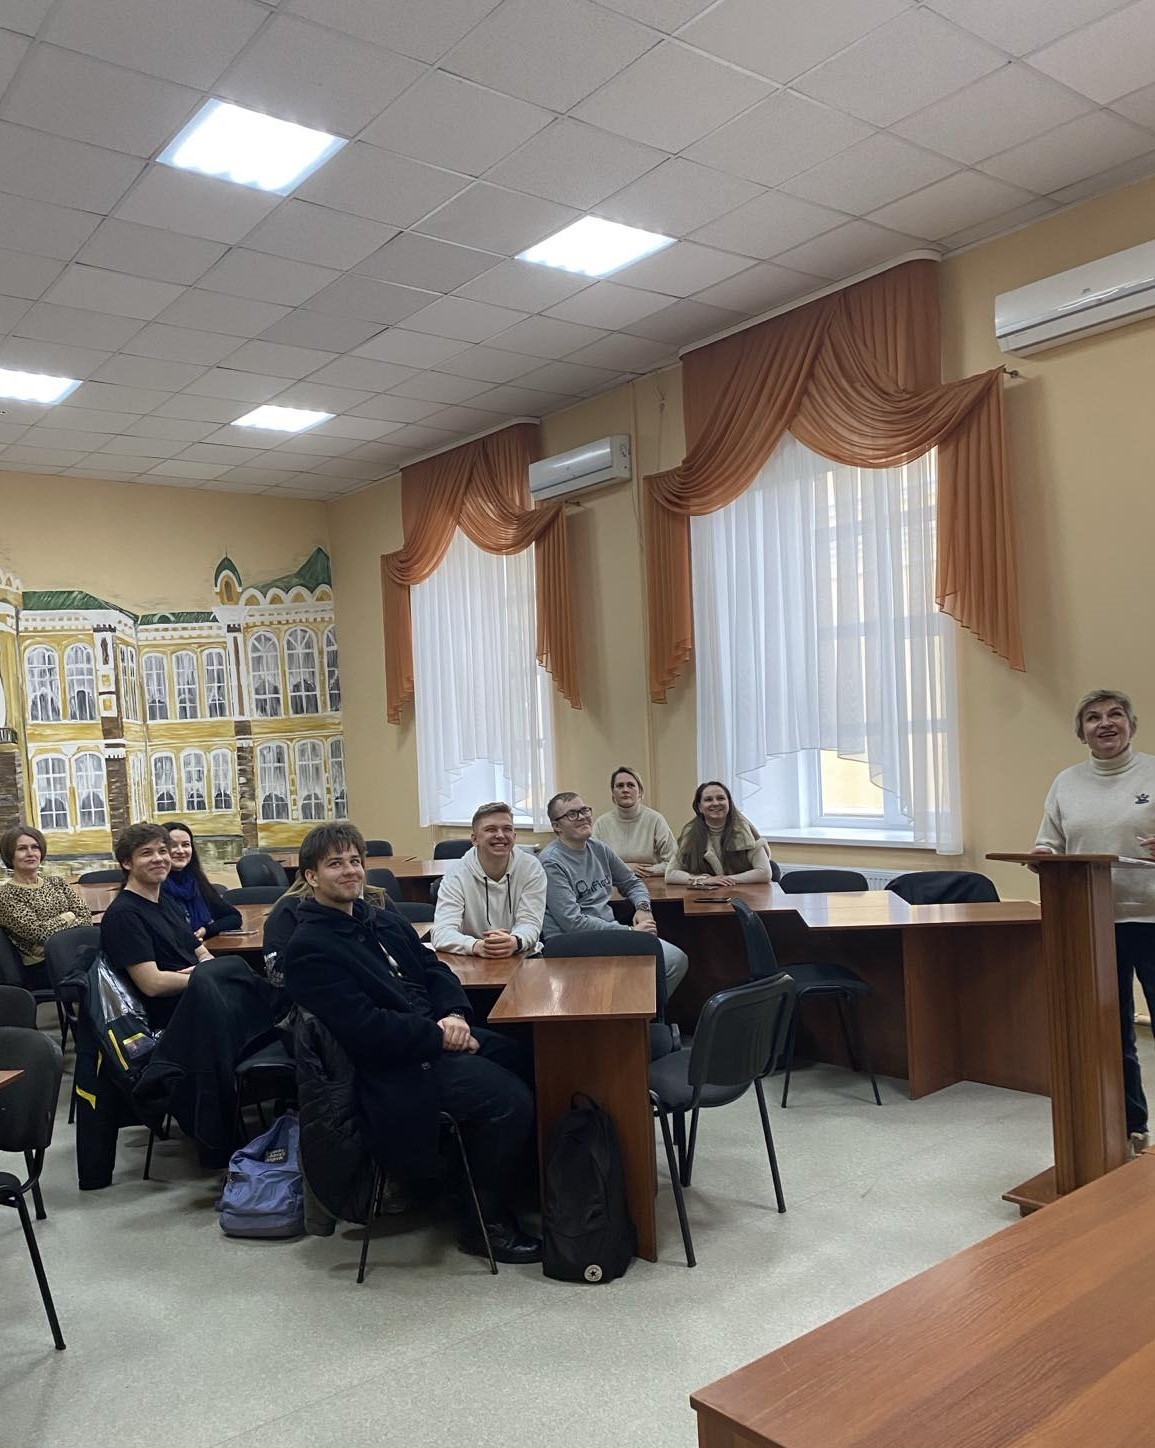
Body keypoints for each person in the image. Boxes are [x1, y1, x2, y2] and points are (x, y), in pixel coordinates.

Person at [281, 822, 541, 1265]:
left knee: (533, 1061)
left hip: (435, 1034)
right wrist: (440, 1036)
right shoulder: (309, 948)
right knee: (508, 1101)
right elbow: (366, 1030)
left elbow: (434, 969)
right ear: (311, 877)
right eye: (335, 864)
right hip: (392, 1068)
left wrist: (455, 1014)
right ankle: (483, 1224)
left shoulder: (380, 919)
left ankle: (520, 1189)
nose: (350, 871)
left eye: (355, 861)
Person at [1033, 689, 1155, 1157]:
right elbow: (1049, 842)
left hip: (1151, 918)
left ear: (1131, 725)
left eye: (1115, 714)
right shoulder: (1066, 782)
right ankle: (1132, 1127)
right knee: (1113, 1032)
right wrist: (1043, 855)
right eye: (1092, 717)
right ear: (1081, 732)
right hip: (1094, 920)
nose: (1105, 723)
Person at [539, 790, 688, 997]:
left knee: (676, 961)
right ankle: (637, 1012)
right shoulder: (551, 862)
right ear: (557, 826)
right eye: (572, 814)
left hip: (607, 933)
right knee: (671, 961)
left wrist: (643, 908)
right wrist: (630, 932)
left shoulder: (598, 848)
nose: (582, 817)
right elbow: (572, 922)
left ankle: (641, 1014)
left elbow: (631, 882)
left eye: (584, 810)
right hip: (571, 941)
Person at [99, 822, 213, 1029]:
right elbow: (153, 984)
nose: (158, 858)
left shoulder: (167, 903)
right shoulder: (124, 915)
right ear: (127, 863)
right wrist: (205, 976)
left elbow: (202, 953)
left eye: (162, 851)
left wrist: (208, 971)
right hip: (170, 1017)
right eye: (146, 853)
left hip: (196, 996)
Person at [432, 801, 547, 957]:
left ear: (514, 836)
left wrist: (515, 941)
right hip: (472, 957)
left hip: (522, 954)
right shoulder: (456, 874)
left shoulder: (531, 868)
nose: (500, 835)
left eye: (507, 829)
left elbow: (530, 923)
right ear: (475, 839)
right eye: (490, 829)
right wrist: (476, 945)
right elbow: (441, 932)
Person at [0, 823, 91, 972]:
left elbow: (86, 917)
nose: (30, 853)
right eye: (22, 849)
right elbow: (39, 933)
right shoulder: (6, 895)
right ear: (10, 855)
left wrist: (52, 939)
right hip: (43, 966)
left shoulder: (57, 882)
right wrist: (69, 916)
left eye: (35, 847)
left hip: (76, 954)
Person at [667, 781, 773, 888]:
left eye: (721, 798)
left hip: (743, 894)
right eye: (708, 799)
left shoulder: (744, 831)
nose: (715, 803)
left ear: (729, 803)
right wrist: (704, 880)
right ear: (699, 807)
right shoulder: (690, 834)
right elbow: (670, 874)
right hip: (705, 895)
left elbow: (764, 873)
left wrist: (725, 879)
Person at [592, 766, 678, 879]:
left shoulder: (655, 820)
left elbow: (674, 863)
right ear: (613, 792)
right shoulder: (601, 823)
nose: (625, 790)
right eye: (620, 786)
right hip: (613, 885)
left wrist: (644, 871)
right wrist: (624, 868)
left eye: (631, 785)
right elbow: (592, 864)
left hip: (651, 883)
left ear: (640, 791)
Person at [162, 823, 242, 941]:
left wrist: (206, 930)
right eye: (173, 845)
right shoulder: (155, 887)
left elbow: (234, 917)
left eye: (186, 845)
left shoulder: (196, 881)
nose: (180, 851)